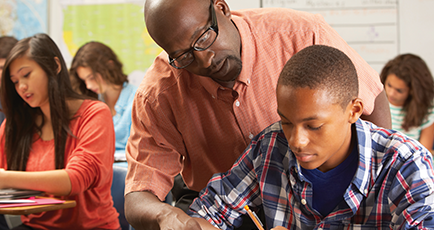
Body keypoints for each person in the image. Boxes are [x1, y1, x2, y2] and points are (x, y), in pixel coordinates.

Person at [124, 0, 392, 229]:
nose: (204, 60)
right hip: (219, 203)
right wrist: (166, 215)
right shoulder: (158, 93)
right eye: (184, 56)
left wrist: (374, 185)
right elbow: (139, 194)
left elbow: (370, 96)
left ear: (221, 8)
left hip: (311, 194)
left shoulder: (300, 34)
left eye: (204, 38)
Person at [188, 45, 434, 229]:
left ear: (354, 111)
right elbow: (209, 213)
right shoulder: (270, 146)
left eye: (313, 126)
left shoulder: (406, 163)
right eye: (286, 121)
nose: (296, 141)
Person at [0, 33, 120, 230]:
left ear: (55, 67)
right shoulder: (19, 121)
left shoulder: (94, 113)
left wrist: (2, 178)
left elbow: (76, 178)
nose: (21, 87)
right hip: (37, 226)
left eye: (26, 75)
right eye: (14, 81)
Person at [70, 41, 138, 151]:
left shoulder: (138, 100)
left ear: (109, 66)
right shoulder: (94, 102)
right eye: (84, 80)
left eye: (91, 78)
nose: (88, 86)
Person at [380, 54, 434, 151]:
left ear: (414, 91)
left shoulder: (426, 111)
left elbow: (425, 152)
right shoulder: (376, 102)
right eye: (389, 85)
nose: (391, 93)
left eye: (399, 90)